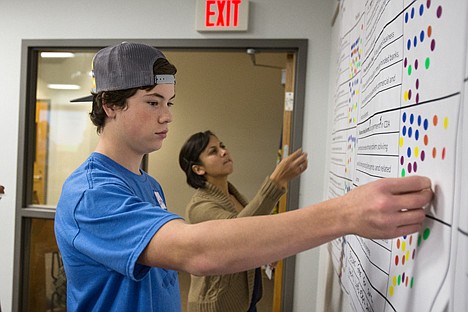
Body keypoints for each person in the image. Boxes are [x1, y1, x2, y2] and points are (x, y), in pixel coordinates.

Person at [54, 42, 433, 312]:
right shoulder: (91, 193)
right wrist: (344, 215)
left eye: (169, 103)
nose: (167, 116)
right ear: (109, 105)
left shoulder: (146, 184)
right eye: (152, 102)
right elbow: (195, 251)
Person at [179, 130, 308, 311]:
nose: (224, 152)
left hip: (245, 299)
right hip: (217, 305)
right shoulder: (199, 207)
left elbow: (253, 228)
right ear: (198, 169)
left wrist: (266, 251)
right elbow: (239, 233)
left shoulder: (232, 195)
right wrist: (275, 182)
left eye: (222, 146)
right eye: (213, 151)